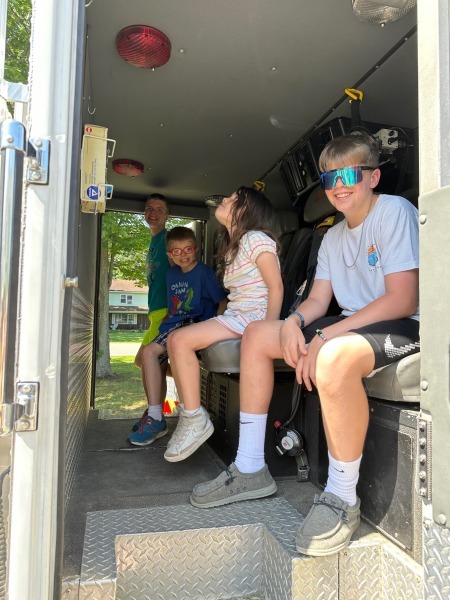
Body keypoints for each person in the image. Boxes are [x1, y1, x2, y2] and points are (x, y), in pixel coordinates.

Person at [189, 133, 420, 558]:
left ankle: (342, 497)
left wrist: (329, 335)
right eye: (329, 178)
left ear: (373, 177)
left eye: (349, 174)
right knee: (258, 334)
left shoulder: (394, 211)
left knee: (332, 356)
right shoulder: (331, 237)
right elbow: (317, 300)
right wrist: (294, 321)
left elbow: (403, 299)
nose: (338, 185)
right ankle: (251, 468)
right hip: (353, 323)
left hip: (403, 324)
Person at [164, 185, 284, 463]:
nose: (226, 200)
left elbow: (276, 286)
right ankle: (191, 414)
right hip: (236, 316)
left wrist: (269, 330)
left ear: (247, 213)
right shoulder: (234, 246)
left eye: (234, 199)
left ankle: (194, 418)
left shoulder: (255, 239)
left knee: (179, 340)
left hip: (252, 319)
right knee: (175, 341)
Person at [129, 226, 228, 445]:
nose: (183, 255)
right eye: (177, 251)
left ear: (196, 250)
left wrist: (217, 325)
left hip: (196, 323)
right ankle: (155, 415)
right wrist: (166, 323)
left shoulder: (203, 273)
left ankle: (185, 414)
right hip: (175, 323)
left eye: (188, 249)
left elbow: (222, 301)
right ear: (169, 255)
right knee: (148, 354)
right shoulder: (171, 274)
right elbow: (175, 306)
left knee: (157, 352)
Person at [133, 194, 171, 430]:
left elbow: (181, 272)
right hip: (155, 312)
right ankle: (155, 410)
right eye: (149, 208)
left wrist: (173, 312)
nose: (153, 213)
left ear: (167, 216)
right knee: (145, 362)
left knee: (151, 362)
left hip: (166, 311)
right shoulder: (154, 241)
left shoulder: (167, 240)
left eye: (159, 210)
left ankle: (155, 416)